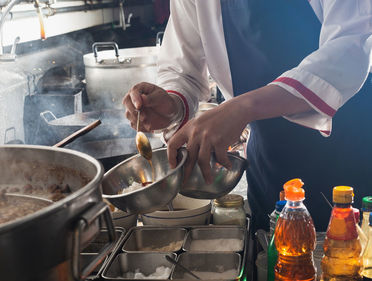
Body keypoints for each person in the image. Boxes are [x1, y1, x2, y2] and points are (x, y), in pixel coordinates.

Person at [123, 0, 372, 231]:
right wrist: (172, 104)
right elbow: (182, 68)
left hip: (350, 151)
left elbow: (351, 46)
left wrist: (242, 107)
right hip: (269, 166)